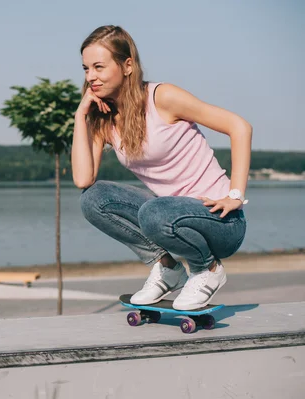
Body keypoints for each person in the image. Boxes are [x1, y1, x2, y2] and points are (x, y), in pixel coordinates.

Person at [71, 25, 252, 310]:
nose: (90, 76)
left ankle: (208, 270)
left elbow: (239, 127)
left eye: (98, 67)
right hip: (167, 217)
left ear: (127, 65)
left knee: (154, 211)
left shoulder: (162, 98)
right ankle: (167, 266)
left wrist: (236, 194)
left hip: (220, 220)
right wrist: (80, 116)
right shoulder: (103, 119)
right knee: (93, 199)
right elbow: (83, 179)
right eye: (85, 69)